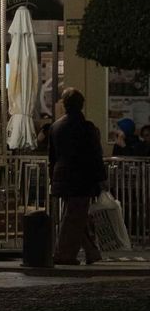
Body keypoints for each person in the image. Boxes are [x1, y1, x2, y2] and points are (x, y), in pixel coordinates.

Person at [50, 88, 106, 265]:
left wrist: (53, 177)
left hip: (62, 176)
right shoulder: (87, 127)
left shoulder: (56, 126)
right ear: (81, 105)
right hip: (82, 178)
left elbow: (53, 156)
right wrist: (101, 179)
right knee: (75, 217)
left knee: (75, 215)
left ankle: (91, 252)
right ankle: (64, 254)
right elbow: (95, 155)